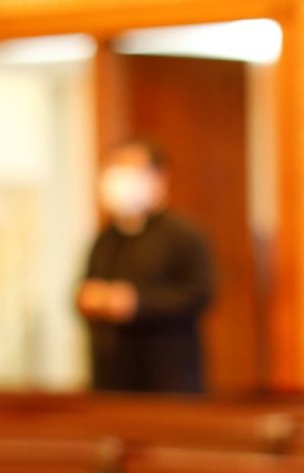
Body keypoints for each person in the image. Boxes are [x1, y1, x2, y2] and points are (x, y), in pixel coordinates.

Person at [77, 139, 213, 394]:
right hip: (111, 379)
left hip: (167, 377)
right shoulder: (106, 239)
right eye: (116, 170)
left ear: (159, 177)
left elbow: (199, 294)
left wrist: (135, 302)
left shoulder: (182, 235)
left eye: (131, 171)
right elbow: (84, 289)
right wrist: (90, 298)